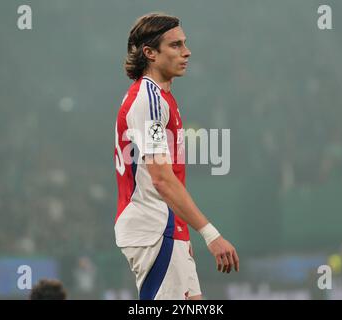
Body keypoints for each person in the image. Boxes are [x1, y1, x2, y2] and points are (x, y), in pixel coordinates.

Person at [114, 12, 239, 300]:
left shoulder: (158, 97)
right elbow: (161, 179)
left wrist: (181, 229)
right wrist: (210, 234)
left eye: (185, 43)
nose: (187, 51)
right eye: (175, 45)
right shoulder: (150, 101)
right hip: (154, 228)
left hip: (164, 227)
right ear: (150, 53)